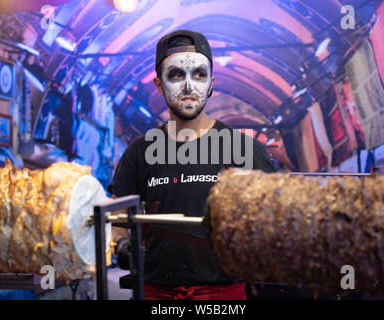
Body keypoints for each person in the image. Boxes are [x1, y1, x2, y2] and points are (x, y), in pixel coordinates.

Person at [107, 29, 277, 300]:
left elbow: (273, 220)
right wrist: (122, 244)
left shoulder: (246, 151)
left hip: (223, 297)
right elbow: (116, 217)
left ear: (211, 84)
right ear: (159, 85)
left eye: (199, 74)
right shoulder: (141, 151)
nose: (188, 86)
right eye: (176, 75)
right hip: (156, 296)